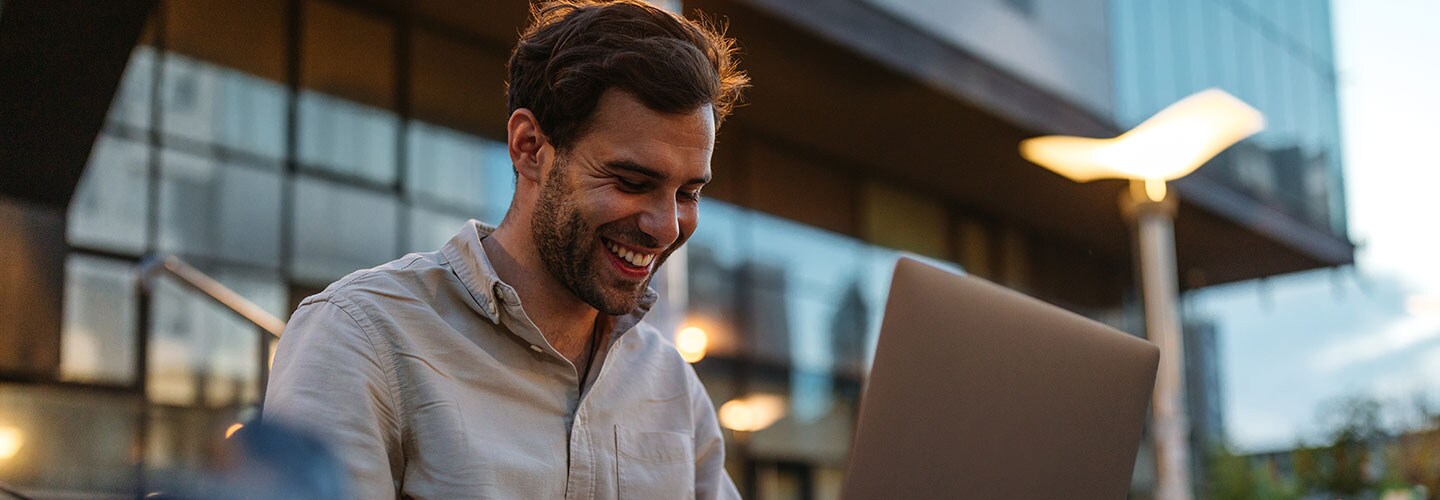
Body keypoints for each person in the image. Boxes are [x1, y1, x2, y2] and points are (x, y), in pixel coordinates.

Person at [261, 1, 748, 498]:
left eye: (688, 193)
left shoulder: (673, 387)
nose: (667, 227)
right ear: (529, 146)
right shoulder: (361, 337)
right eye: (630, 181)